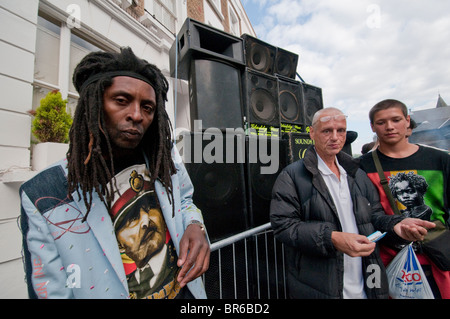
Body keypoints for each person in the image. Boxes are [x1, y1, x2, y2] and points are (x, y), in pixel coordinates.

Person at [19, 47, 210, 299]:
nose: (136, 115)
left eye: (148, 107)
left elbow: (185, 200)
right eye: (121, 100)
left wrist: (196, 226)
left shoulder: (161, 157)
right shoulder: (44, 193)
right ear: (94, 104)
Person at [270, 107, 434, 299]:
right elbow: (283, 226)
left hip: (366, 281)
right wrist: (332, 239)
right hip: (320, 283)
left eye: (340, 130)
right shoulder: (291, 176)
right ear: (312, 133)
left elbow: (374, 216)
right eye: (326, 131)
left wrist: (396, 226)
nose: (335, 137)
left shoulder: (357, 174)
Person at [359, 99, 450, 299]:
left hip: (440, 260)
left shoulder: (441, 159)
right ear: (373, 127)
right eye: (381, 122)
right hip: (391, 263)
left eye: (396, 119)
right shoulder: (361, 166)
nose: (389, 126)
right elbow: (363, 215)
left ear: (407, 121)